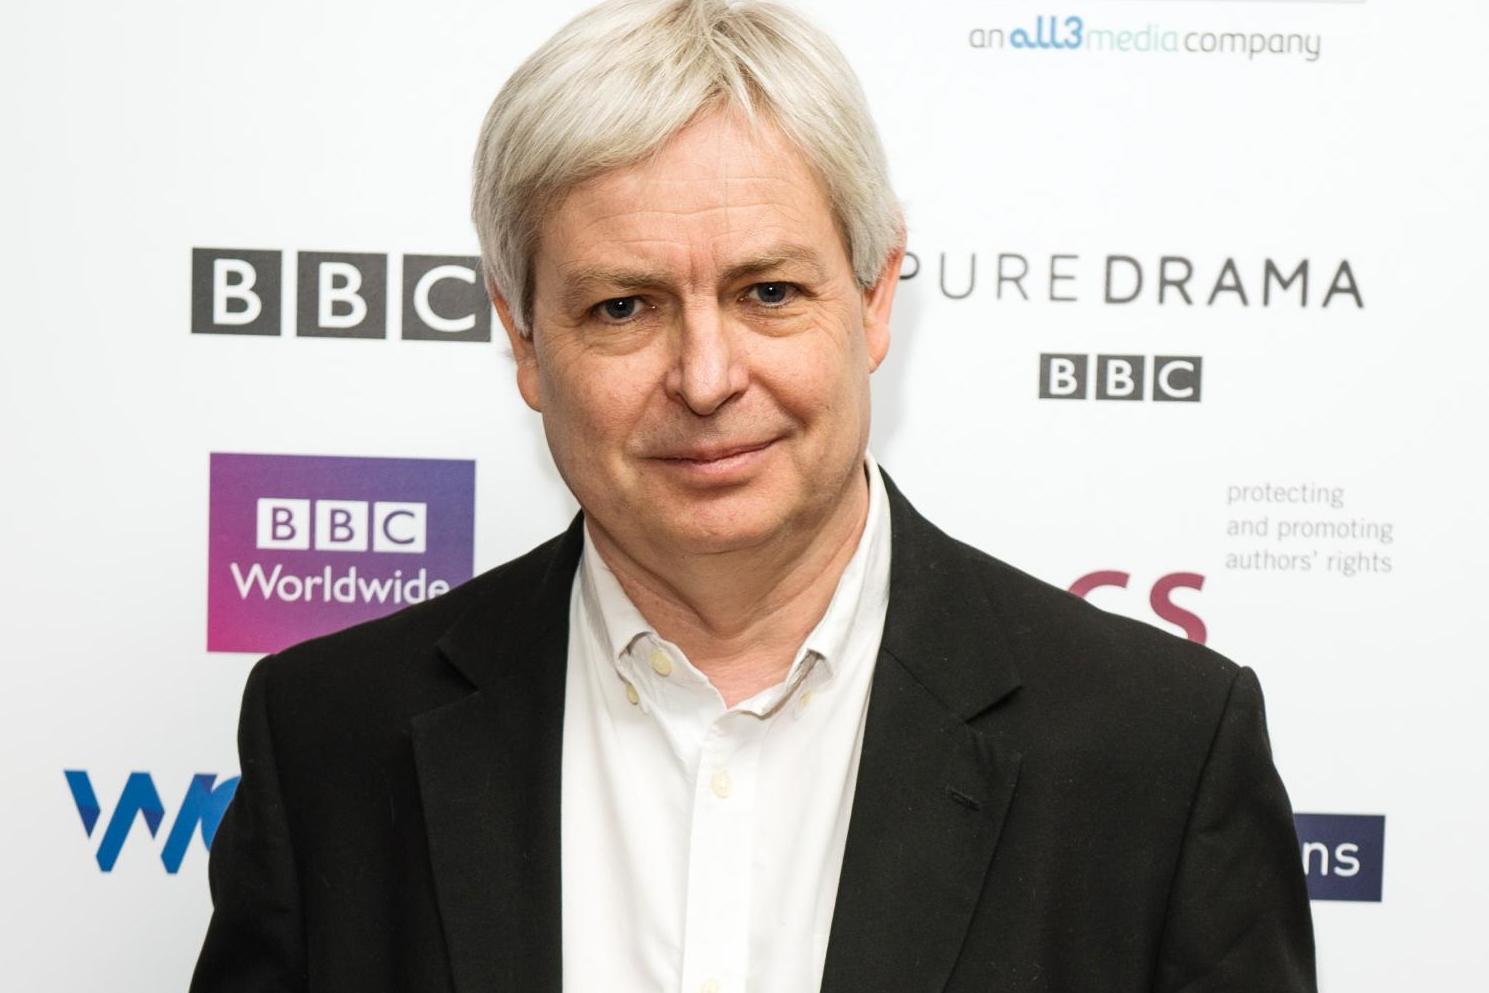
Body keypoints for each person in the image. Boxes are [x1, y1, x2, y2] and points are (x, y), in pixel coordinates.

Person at [190, 1, 1316, 990]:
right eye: (623, 307)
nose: (707, 376)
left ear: (875, 302)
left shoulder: (1158, 754)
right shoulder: (332, 738)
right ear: (524, 343)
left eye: (768, 291)